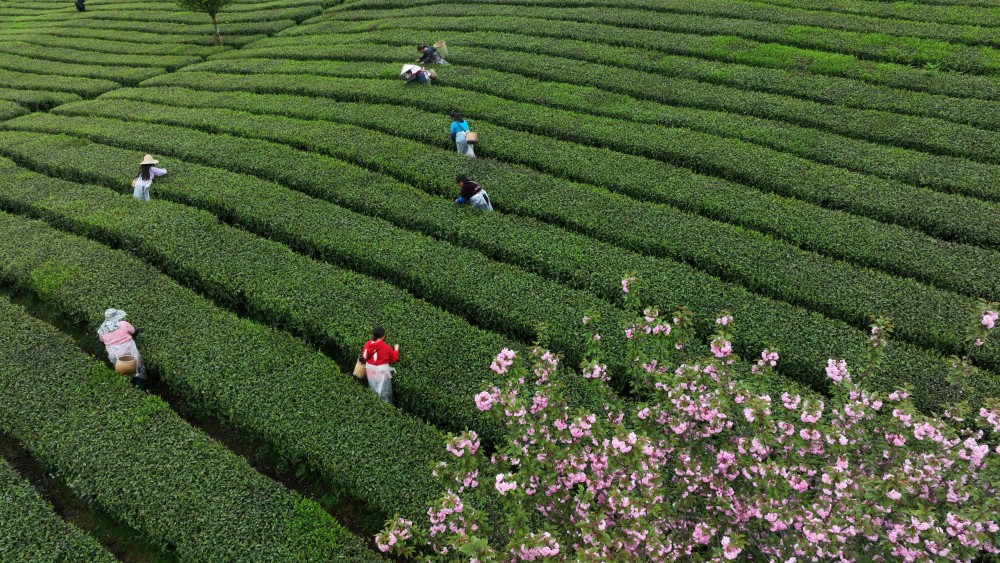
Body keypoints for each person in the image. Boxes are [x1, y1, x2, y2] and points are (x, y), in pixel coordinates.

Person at [97, 308, 147, 390]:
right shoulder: (123, 324)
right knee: (139, 370)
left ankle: (129, 388)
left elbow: (102, 340)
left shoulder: (102, 331)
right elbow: (134, 331)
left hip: (115, 355)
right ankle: (140, 389)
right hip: (130, 350)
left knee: (124, 372)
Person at [361, 326, 399, 403]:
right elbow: (393, 358)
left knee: (373, 389)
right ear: (383, 336)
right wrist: (396, 349)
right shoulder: (386, 347)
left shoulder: (367, 344)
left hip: (370, 373)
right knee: (384, 392)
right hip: (382, 375)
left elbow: (364, 356)